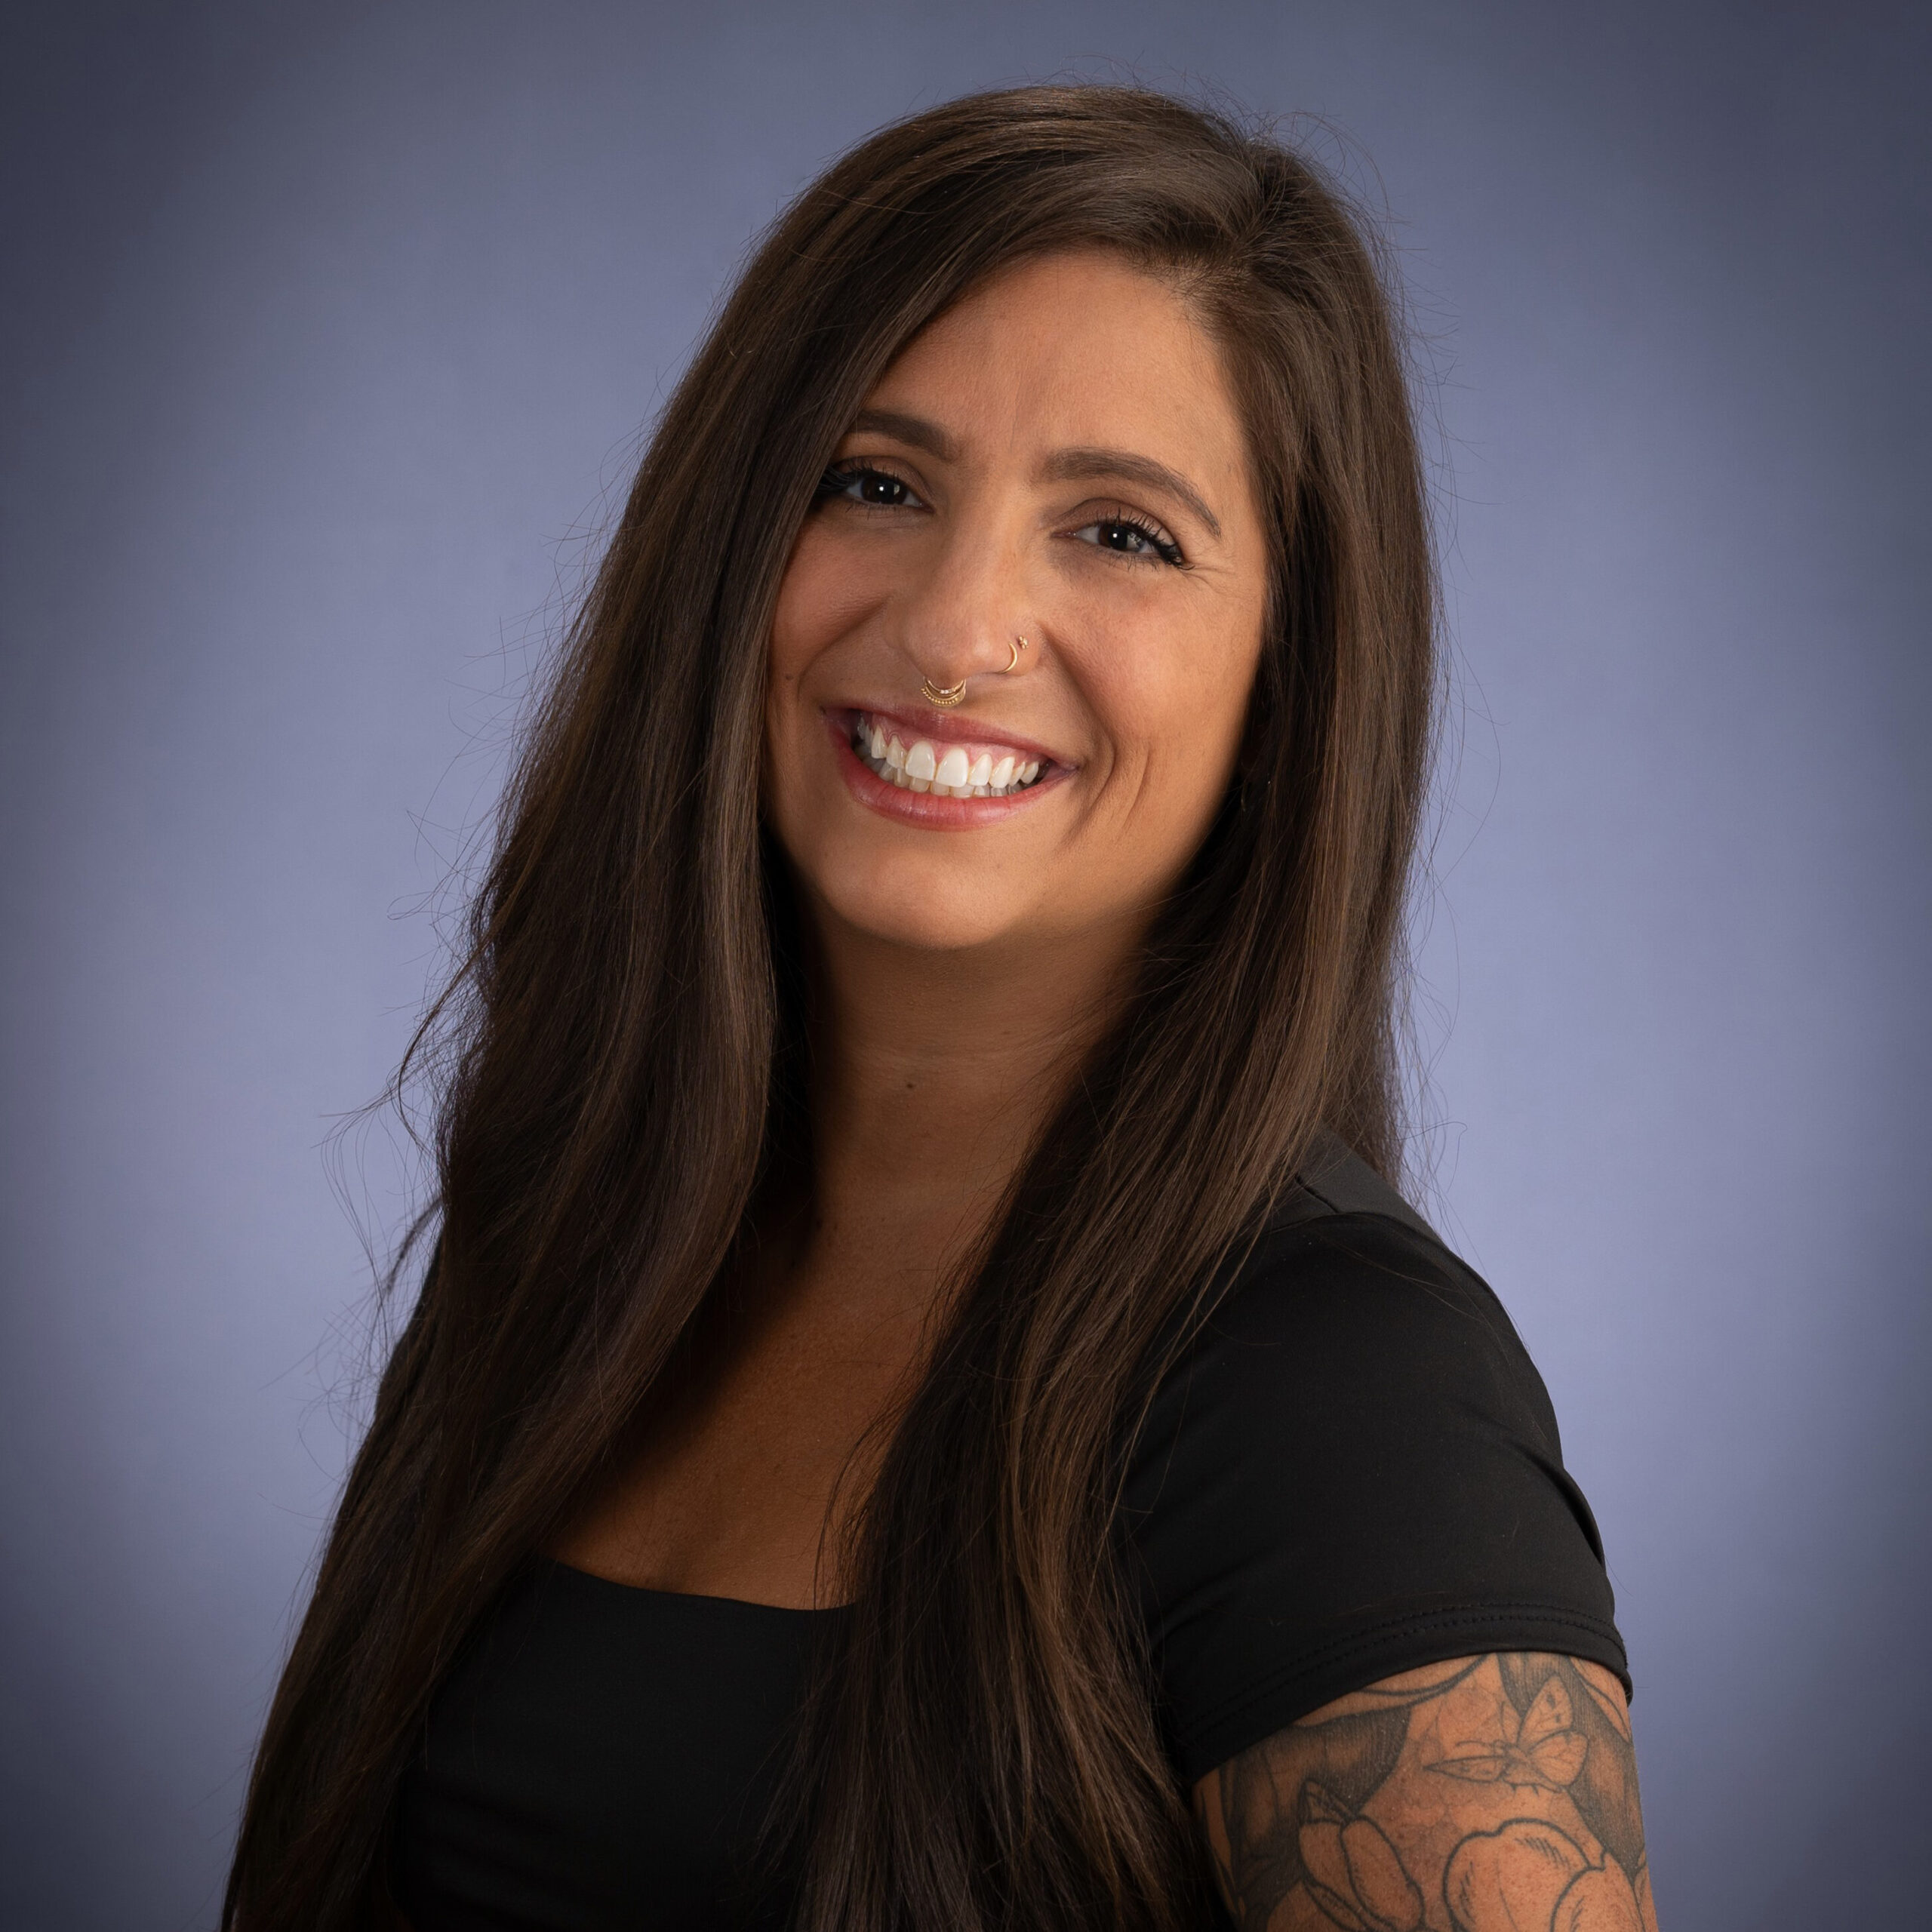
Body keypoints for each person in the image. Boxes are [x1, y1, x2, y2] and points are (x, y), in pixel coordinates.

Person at [224, 84, 1657, 1932]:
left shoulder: (1333, 1394)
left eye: (1122, 533)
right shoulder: (597, 1231)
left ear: (1283, 678)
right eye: (875, 482)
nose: (958, 623)